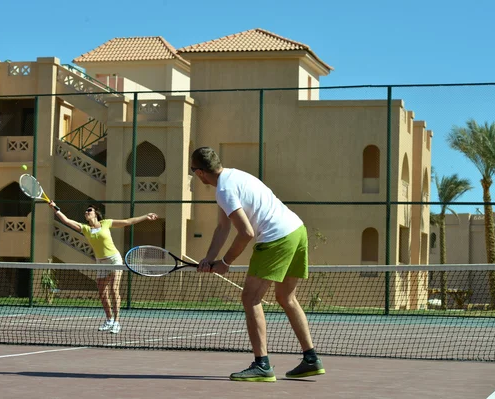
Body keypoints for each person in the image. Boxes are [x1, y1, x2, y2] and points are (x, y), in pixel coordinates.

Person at [191, 147, 325, 382]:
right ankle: (311, 359)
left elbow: (246, 232)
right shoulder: (234, 177)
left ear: (200, 172)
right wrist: (209, 258)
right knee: (286, 298)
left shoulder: (224, 190)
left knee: (250, 298)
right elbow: (223, 228)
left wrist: (224, 262)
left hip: (276, 238)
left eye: (193, 171)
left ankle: (262, 365)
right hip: (297, 230)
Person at [49, 201, 158, 334]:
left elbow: (127, 221)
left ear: (95, 214)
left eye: (89, 210)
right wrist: (55, 208)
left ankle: (117, 322)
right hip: (100, 261)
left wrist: (145, 216)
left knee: (113, 289)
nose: (86, 212)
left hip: (114, 259)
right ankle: (109, 319)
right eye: (86, 211)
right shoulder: (85, 228)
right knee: (102, 292)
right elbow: (66, 221)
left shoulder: (106, 223)